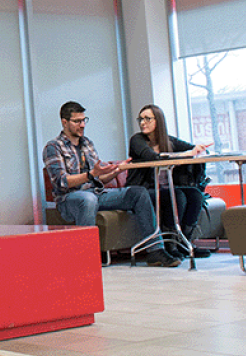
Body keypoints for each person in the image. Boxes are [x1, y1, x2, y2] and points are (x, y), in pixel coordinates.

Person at [42, 101, 180, 267]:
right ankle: (85, 257)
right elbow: (61, 182)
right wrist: (91, 174)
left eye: (84, 120)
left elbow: (98, 180)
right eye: (77, 121)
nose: (82, 125)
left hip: (96, 194)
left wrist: (115, 171)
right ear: (65, 122)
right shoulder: (53, 147)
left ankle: (155, 250)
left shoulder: (87, 143)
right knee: (88, 199)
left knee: (138, 192)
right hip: (69, 199)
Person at [127, 104, 212, 260]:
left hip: (165, 188)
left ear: (158, 121)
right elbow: (152, 157)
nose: (142, 123)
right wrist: (186, 154)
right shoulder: (137, 140)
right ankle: (170, 244)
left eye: (147, 119)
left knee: (195, 195)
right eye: (141, 119)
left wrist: (198, 149)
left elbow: (192, 149)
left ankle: (184, 241)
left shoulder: (168, 140)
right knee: (177, 195)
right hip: (142, 190)